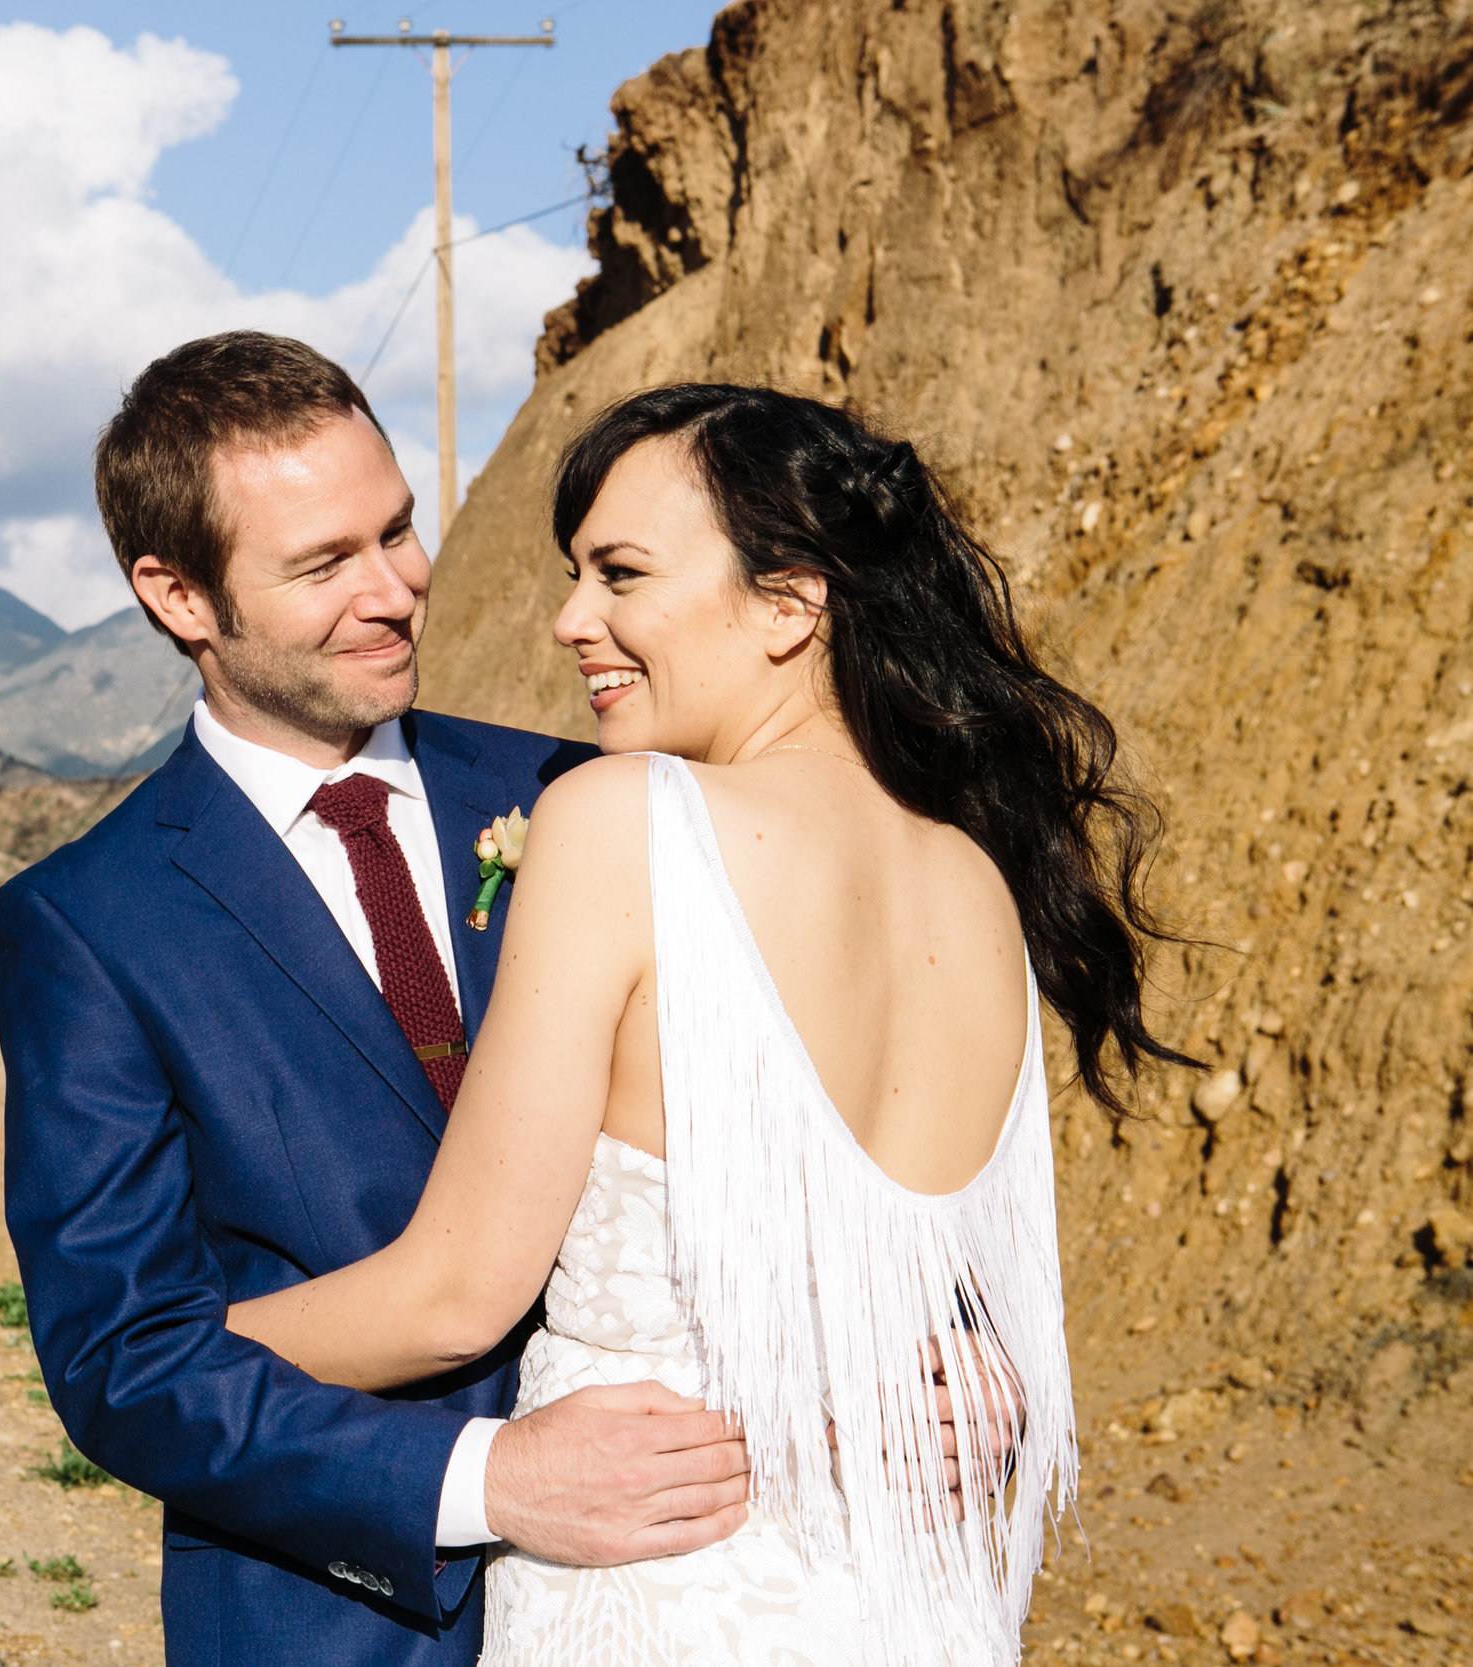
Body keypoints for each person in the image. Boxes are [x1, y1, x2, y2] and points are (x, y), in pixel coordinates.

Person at [224, 384, 1194, 1665]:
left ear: (792, 602)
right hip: (920, 1607)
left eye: (620, 573)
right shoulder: (981, 875)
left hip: (667, 1592)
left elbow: (457, 1293)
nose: (572, 621)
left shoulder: (630, 820)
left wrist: (170, 1351)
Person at [0, 335, 756, 1667]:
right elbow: (125, 1364)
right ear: (179, 594)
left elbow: (795, 1091)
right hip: (342, 1619)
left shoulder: (586, 793)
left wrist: (918, 1332)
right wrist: (485, 1479)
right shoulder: (85, 923)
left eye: (398, 528)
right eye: (323, 562)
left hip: (693, 1565)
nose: (397, 588)